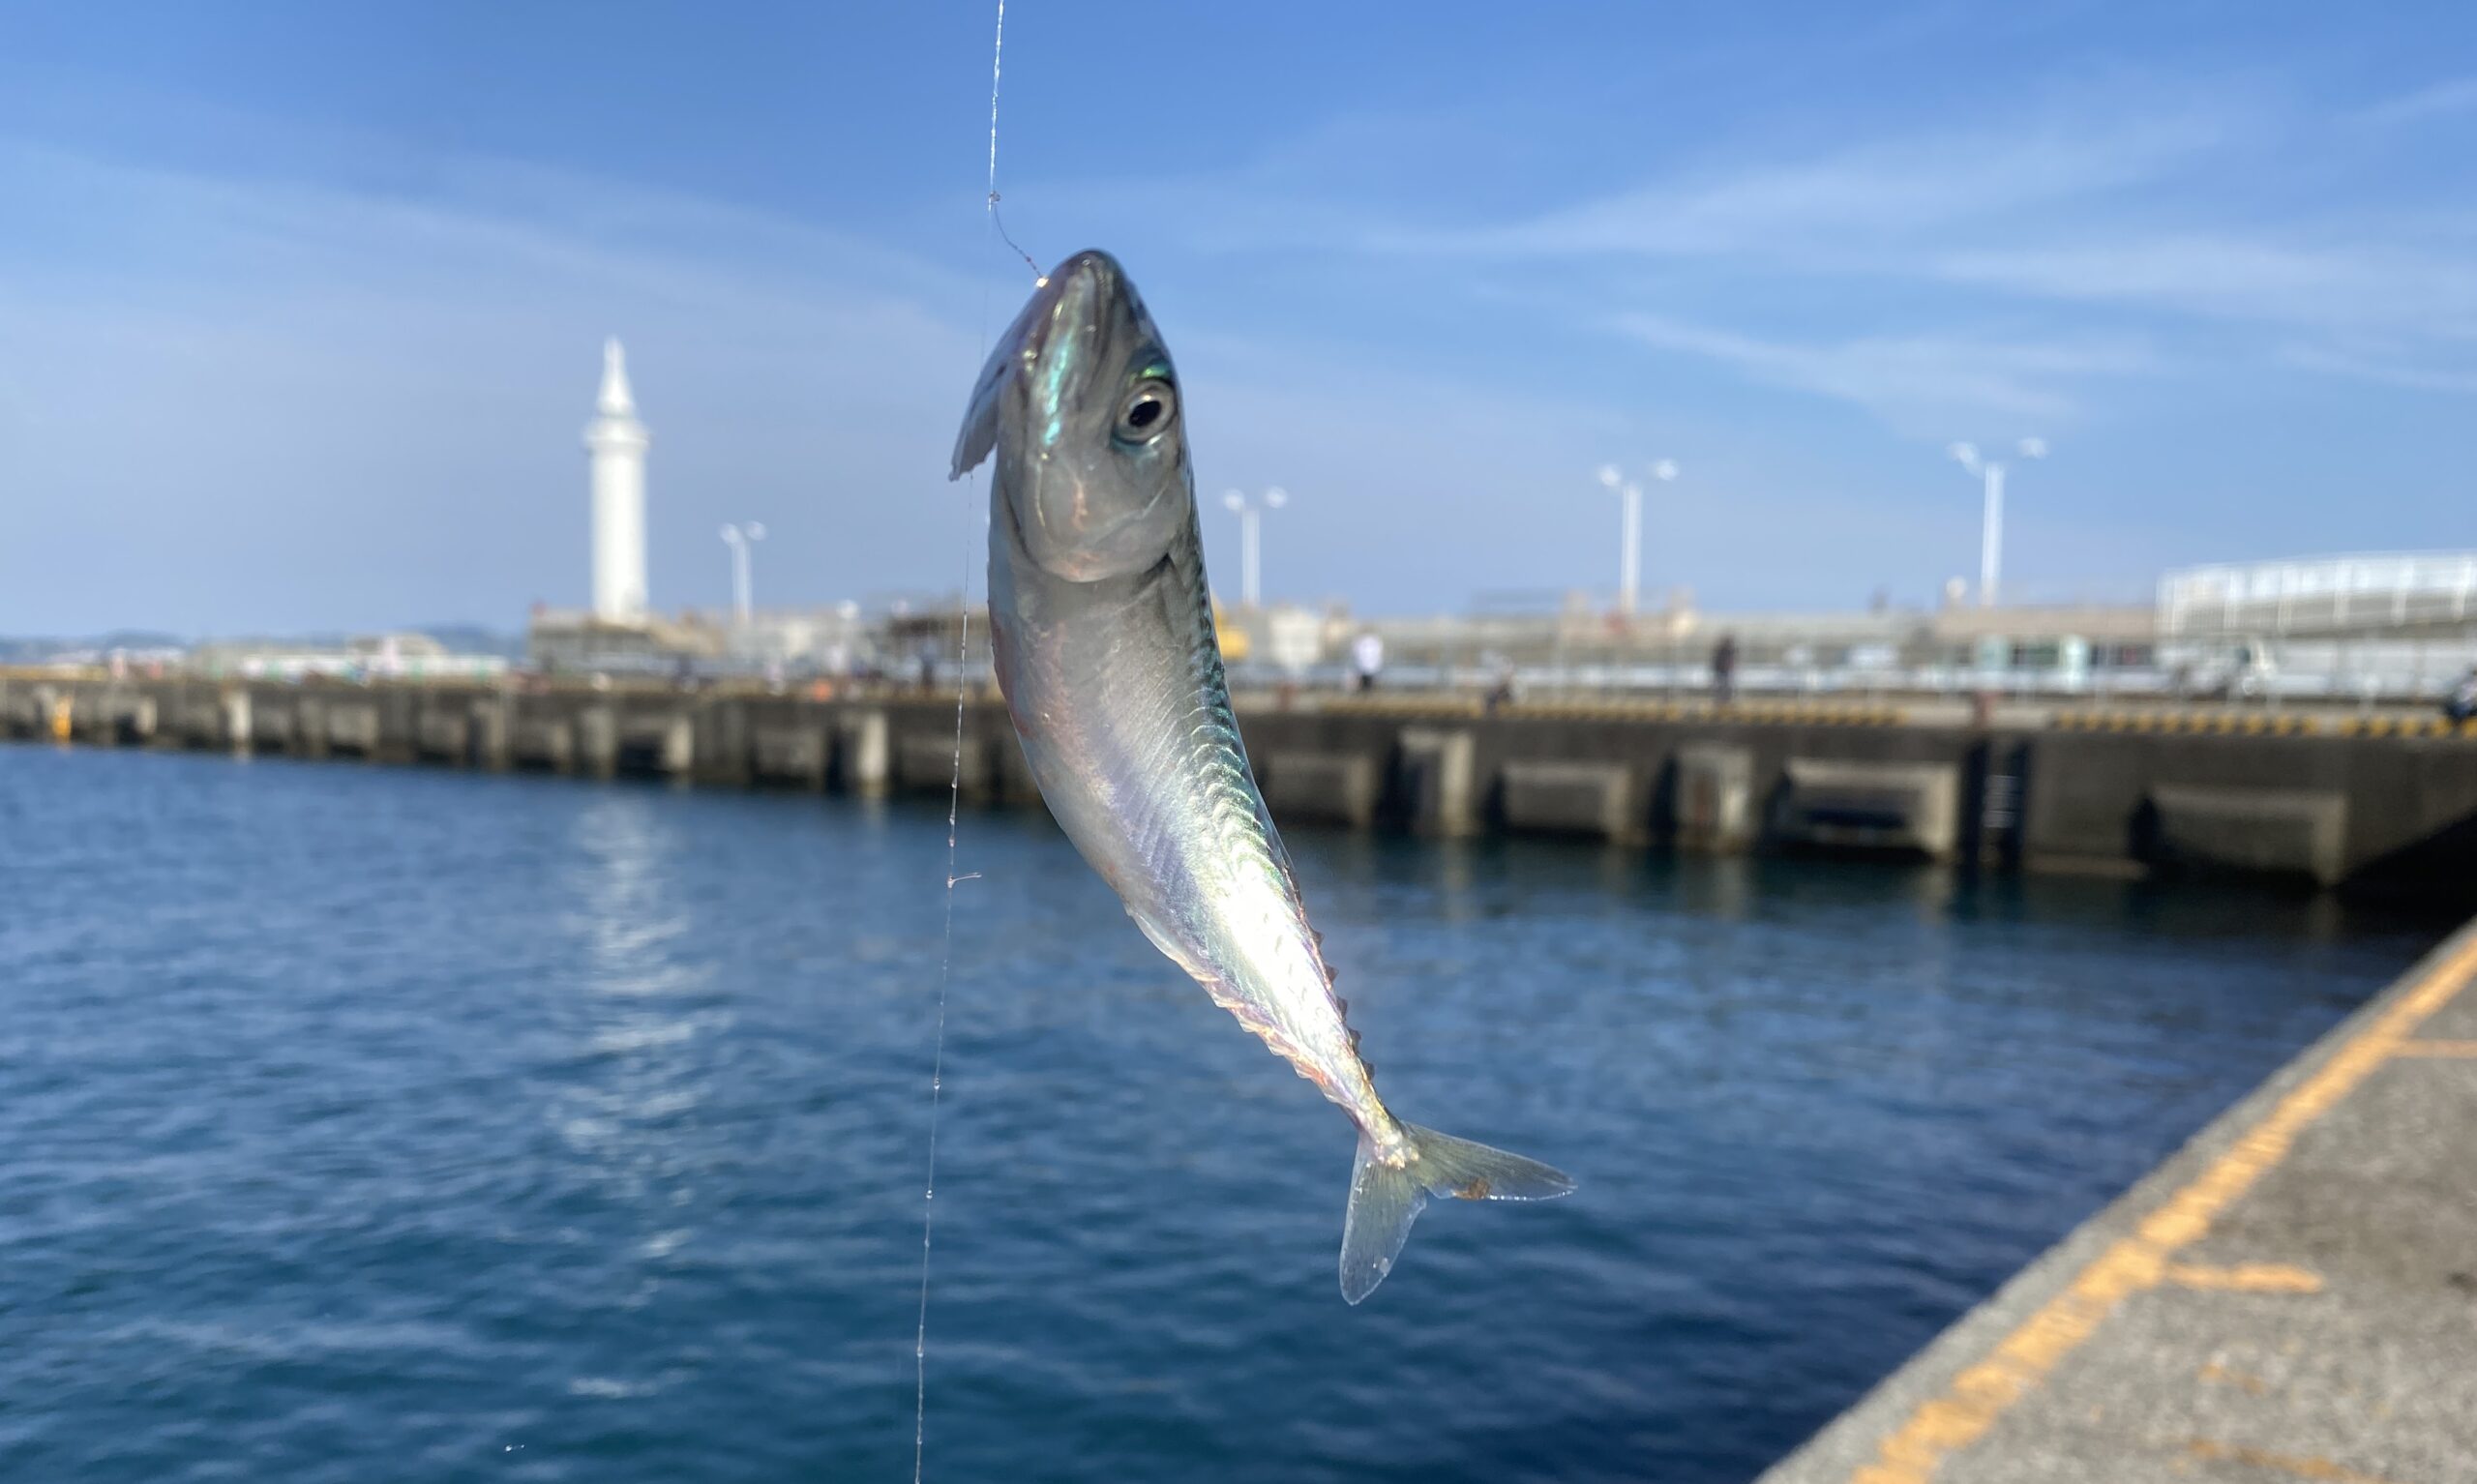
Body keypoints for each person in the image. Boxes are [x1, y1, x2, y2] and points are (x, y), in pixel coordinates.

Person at [1711, 633, 1739, 705]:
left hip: (1724, 671)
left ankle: (1724, 700)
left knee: (1725, 686)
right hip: (1722, 671)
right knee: (1723, 685)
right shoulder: (1725, 651)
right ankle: (1722, 700)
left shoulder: (1728, 650)